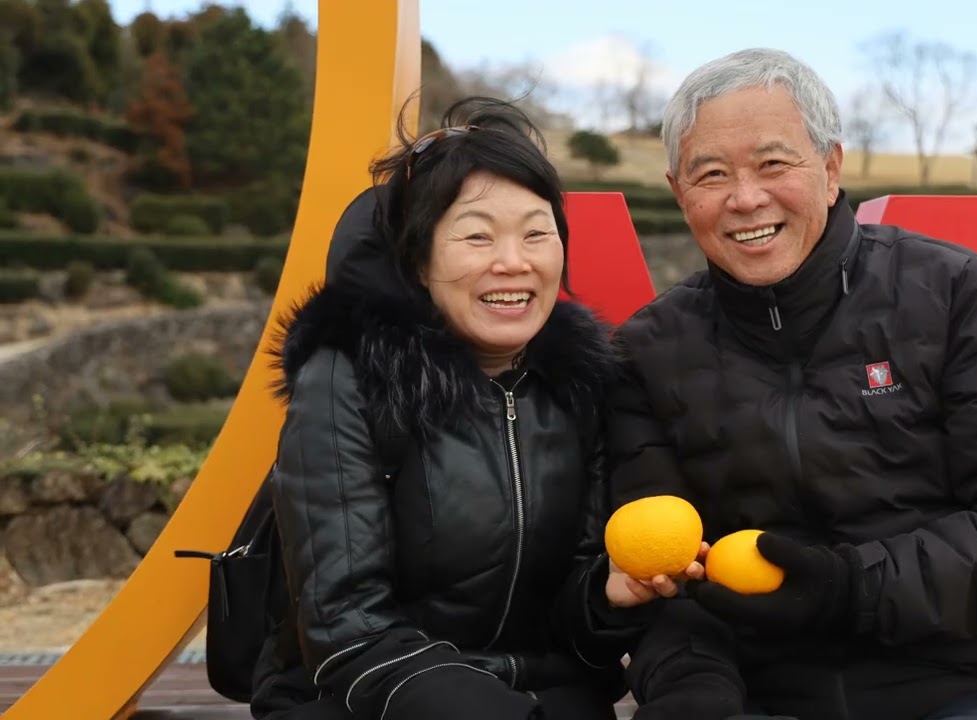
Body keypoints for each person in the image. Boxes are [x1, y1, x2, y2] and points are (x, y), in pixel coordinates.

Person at [606, 49, 977, 720]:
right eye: (712, 174)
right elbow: (661, 574)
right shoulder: (648, 350)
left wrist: (849, 588)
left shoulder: (952, 294)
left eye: (773, 164)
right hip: (763, 697)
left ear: (831, 168)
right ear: (678, 192)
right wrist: (694, 692)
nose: (745, 198)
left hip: (973, 686)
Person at [248, 97, 700, 720]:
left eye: (537, 233)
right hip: (372, 699)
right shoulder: (347, 377)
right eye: (477, 236)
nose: (513, 262)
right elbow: (347, 631)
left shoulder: (583, 382)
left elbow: (574, 630)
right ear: (419, 259)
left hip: (544, 694)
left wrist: (604, 595)